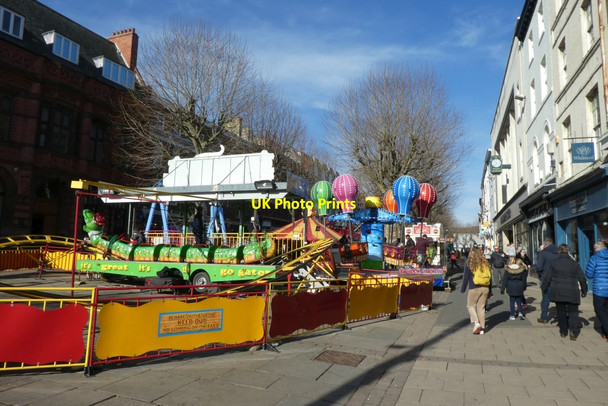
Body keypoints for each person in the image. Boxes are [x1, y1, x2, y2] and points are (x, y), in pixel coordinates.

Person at [541, 244, 588, 340]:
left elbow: (547, 277)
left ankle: (563, 331)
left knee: (561, 311)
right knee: (573, 312)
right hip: (572, 290)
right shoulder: (574, 264)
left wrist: (544, 288)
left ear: (559, 251)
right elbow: (582, 278)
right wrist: (584, 290)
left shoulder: (554, 263)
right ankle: (573, 331)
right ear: (568, 251)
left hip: (558, 290)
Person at [460, 247, 491, 335]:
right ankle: (482, 329)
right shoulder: (485, 263)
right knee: (481, 308)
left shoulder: (469, 263)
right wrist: (490, 291)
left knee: (470, 306)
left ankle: (476, 323)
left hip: (474, 288)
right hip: (485, 288)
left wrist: (463, 289)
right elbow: (490, 277)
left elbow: (465, 277)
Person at [585, 241, 608, 340]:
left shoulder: (594, 258)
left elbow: (589, 274)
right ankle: (604, 332)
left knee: (599, 310)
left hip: (600, 289)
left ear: (597, 249)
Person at [536, 237, 559, 324]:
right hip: (557, 278)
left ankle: (544, 317)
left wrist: (540, 275)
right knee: (558, 298)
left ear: (545, 244)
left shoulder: (543, 253)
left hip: (545, 278)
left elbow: (539, 267)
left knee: (545, 298)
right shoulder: (558, 252)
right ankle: (559, 316)